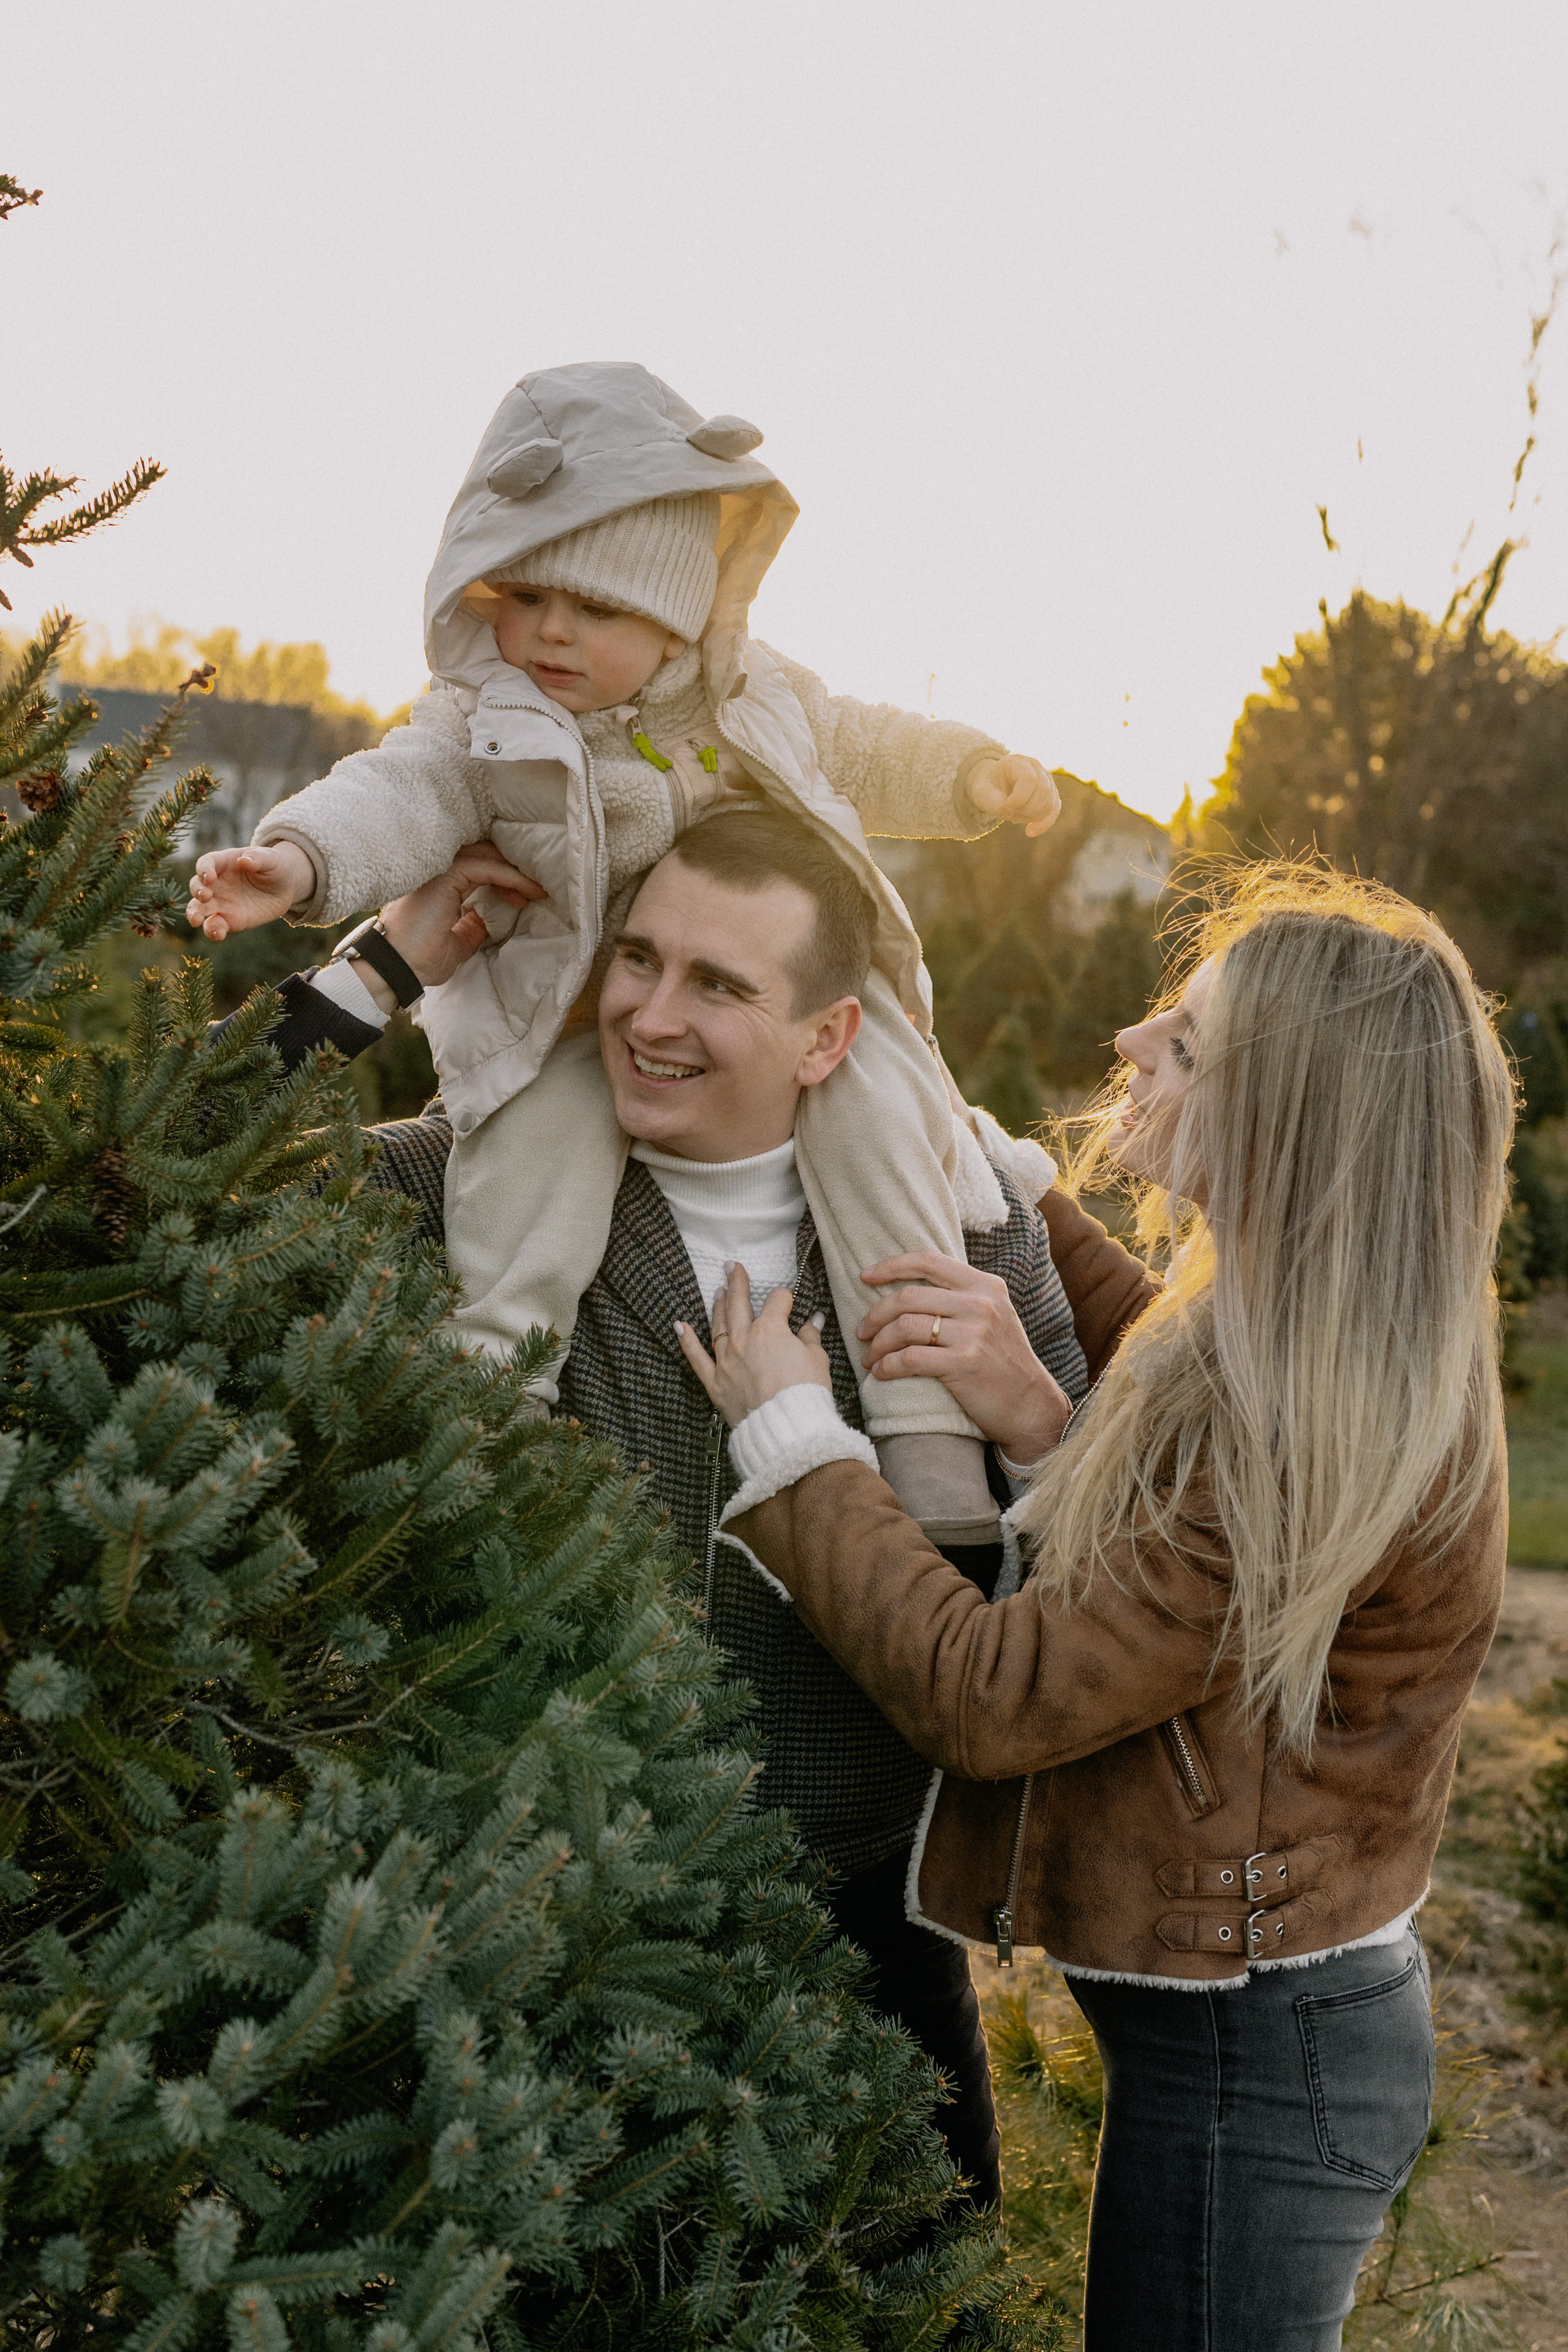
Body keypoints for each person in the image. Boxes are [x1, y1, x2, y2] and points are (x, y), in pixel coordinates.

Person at [674, 865, 1513, 2350]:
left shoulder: (1296, 1418)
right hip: (1259, 2035)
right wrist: (1028, 1258)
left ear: (1285, 1118)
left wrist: (795, 1446)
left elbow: (998, 1698)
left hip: (1262, 2065)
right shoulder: (1308, 1322)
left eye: (1183, 1045)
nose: (1130, 1044)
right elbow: (1161, 1375)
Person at [242, 810, 1114, 2211]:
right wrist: (382, 967)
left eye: (717, 985)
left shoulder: (961, 1239)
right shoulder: (473, 1186)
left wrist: (1035, 1427)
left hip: (851, 1926)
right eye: (637, 959)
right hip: (522, 1921)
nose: (647, 1016)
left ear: (827, 1038)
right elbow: (154, 1169)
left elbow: (1078, 1598)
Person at [184, 361, 1063, 1554]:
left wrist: (970, 775)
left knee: (889, 1135)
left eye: (595, 610)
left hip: (819, 1060)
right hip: (557, 1015)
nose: (549, 630)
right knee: (526, 1182)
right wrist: (303, 871)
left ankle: (927, 1452)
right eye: (525, 592)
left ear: (677, 617)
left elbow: (862, 743)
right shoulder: (486, 717)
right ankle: (487, 1423)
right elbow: (396, 790)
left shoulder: (755, 696)